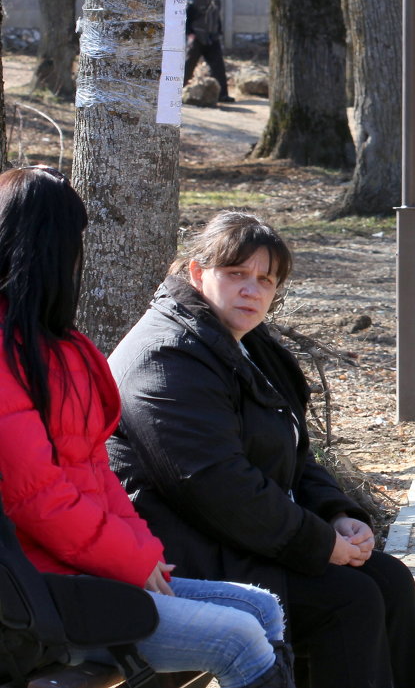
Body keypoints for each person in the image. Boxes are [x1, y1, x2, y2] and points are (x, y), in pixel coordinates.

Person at [107, 212, 415, 688]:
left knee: (390, 579)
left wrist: (337, 514)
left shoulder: (246, 343)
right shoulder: (167, 354)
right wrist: (318, 544)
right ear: (198, 274)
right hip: (182, 551)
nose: (251, 290)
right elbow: (214, 486)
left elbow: (293, 451)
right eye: (236, 274)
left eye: (265, 279)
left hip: (238, 537)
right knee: (346, 600)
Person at [0, 167, 294, 688]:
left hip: (90, 569)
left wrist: (144, 555)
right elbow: (38, 499)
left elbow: (98, 474)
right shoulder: (8, 358)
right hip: (34, 593)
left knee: (262, 610)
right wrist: (131, 561)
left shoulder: (65, 349)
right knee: (238, 636)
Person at [185, 0, 235, 103]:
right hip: (197, 37)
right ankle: (177, 92)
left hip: (212, 39)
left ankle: (222, 95)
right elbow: (187, 18)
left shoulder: (216, 1)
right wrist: (189, 33)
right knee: (188, 65)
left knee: (218, 67)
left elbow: (217, 20)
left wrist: (218, 33)